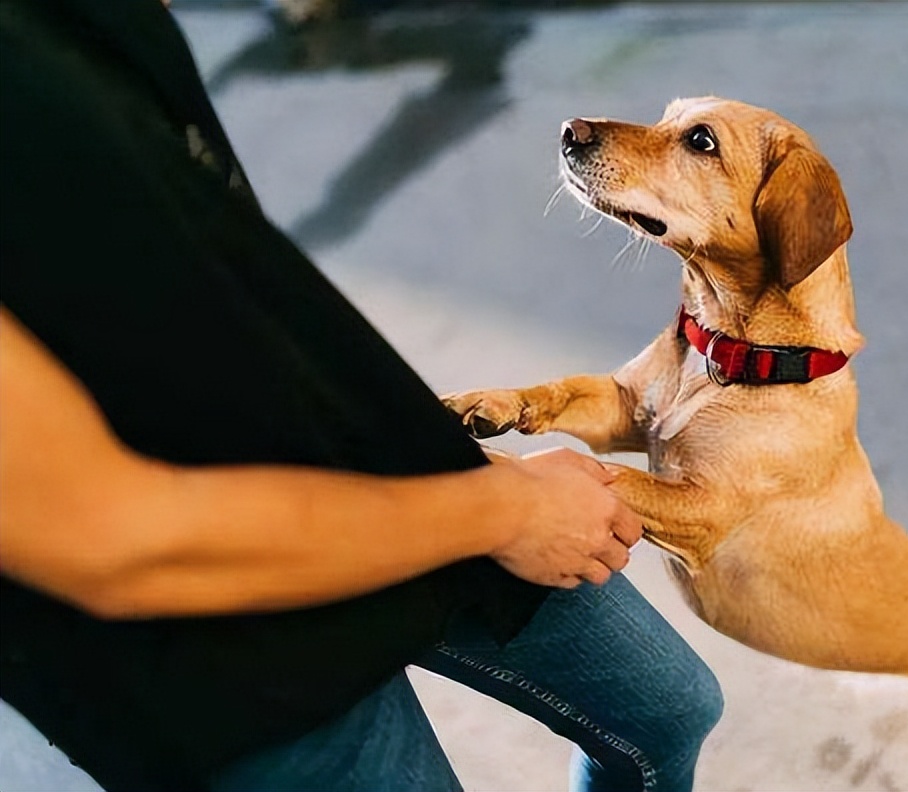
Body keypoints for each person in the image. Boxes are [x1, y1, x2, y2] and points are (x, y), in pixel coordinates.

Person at [0, 0, 723, 790]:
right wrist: (507, 512)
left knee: (668, 710)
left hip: (365, 464)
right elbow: (112, 543)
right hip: (224, 659)